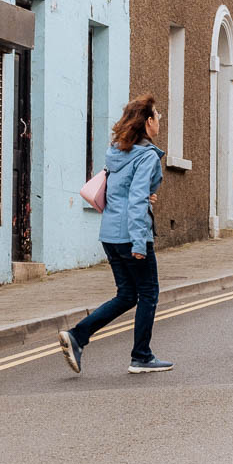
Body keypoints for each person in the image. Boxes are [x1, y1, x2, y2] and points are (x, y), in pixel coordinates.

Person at [59, 94, 173, 375]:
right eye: (157, 116)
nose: (160, 120)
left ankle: (77, 336)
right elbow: (134, 200)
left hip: (110, 234)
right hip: (131, 234)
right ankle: (141, 356)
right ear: (148, 122)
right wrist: (138, 241)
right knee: (148, 293)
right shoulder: (146, 156)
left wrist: (146, 198)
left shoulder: (117, 153)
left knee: (126, 295)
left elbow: (119, 193)